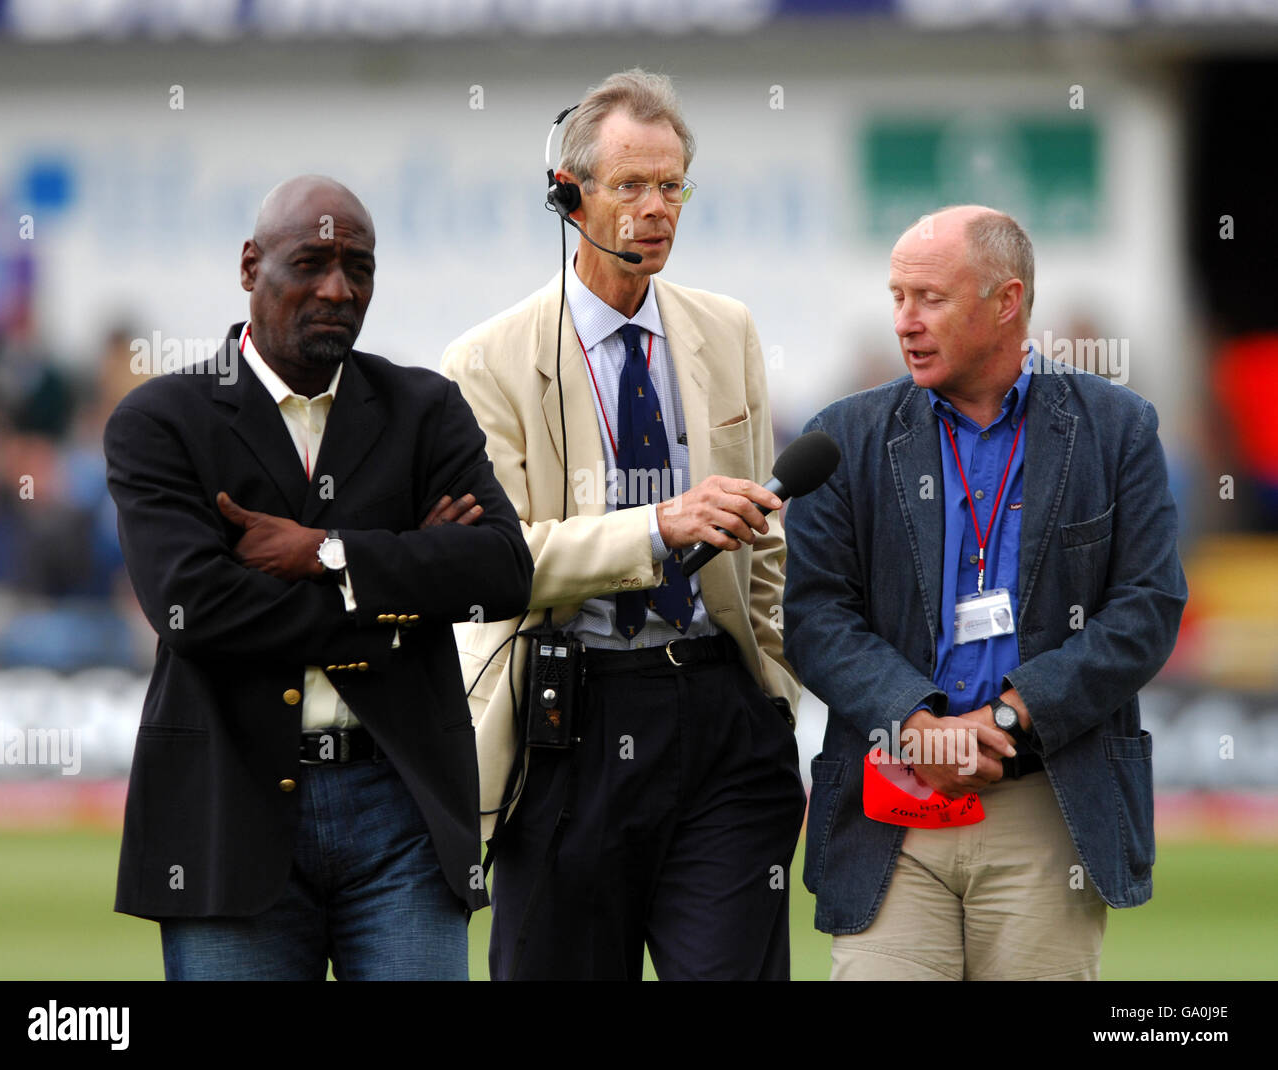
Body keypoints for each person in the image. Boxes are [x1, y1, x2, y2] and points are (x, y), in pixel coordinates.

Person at [103, 175, 532, 980]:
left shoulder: (424, 409)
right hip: (228, 813)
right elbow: (196, 611)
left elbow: (503, 571)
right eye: (312, 263)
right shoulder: (161, 422)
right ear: (249, 266)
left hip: (402, 806)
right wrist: (396, 598)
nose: (338, 288)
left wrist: (326, 552)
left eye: (358, 268)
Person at [442, 70, 805, 981]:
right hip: (568, 726)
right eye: (630, 185)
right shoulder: (485, 361)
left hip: (723, 720)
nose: (656, 208)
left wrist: (774, 702)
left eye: (671, 185)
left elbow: (765, 551)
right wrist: (656, 528)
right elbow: (492, 561)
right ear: (568, 196)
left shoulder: (730, 331)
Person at [783, 205, 1187, 981]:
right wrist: (917, 720)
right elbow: (814, 617)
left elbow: (1146, 609)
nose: (905, 321)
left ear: (1006, 302)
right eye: (896, 296)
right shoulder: (845, 435)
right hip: (892, 804)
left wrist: (1009, 715)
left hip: (1049, 803)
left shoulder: (1117, 428)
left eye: (929, 298)